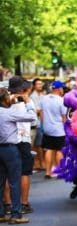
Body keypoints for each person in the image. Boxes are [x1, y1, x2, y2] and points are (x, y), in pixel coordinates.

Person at [0, 87, 36, 224]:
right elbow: (32, 118)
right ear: (4, 99)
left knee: (1, 183)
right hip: (10, 149)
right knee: (15, 182)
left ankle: (1, 213)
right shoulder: (8, 113)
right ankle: (16, 214)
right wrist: (27, 102)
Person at [7, 77, 36, 214]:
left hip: (7, 141)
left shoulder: (4, 101)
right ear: (23, 89)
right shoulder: (27, 102)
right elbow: (34, 121)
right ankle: (24, 203)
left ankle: (7, 204)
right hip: (23, 139)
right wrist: (28, 102)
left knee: (7, 173)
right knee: (24, 172)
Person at [38, 80, 67, 179]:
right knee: (59, 150)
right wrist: (66, 129)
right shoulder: (61, 100)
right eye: (62, 88)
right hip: (59, 130)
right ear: (59, 89)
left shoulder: (43, 99)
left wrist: (43, 125)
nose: (63, 90)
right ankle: (60, 171)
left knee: (49, 149)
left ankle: (48, 172)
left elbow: (41, 114)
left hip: (47, 128)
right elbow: (64, 117)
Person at [30, 78, 46, 172]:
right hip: (38, 123)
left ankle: (41, 163)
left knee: (40, 144)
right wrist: (40, 111)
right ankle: (38, 163)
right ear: (34, 86)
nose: (40, 85)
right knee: (37, 144)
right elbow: (36, 110)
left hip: (43, 122)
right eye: (38, 84)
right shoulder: (32, 96)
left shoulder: (43, 95)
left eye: (41, 84)